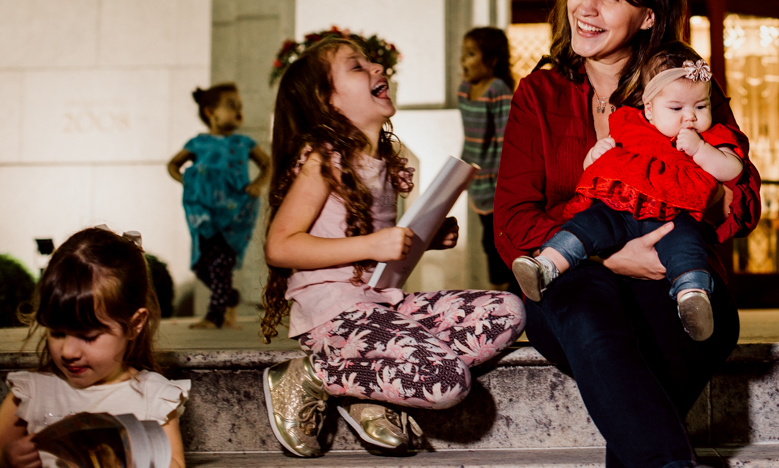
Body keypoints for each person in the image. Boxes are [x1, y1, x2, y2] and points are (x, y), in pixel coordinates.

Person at [494, 0, 761, 468]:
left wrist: (692, 197)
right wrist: (609, 250)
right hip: (572, 289)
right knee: (588, 299)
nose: (585, 7)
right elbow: (513, 222)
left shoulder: (685, 90)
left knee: (684, 330)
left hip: (674, 286)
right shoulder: (540, 95)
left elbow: (745, 199)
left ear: (649, 16)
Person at [259, 37, 525, 458]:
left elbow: (377, 257)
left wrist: (425, 240)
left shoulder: (386, 160)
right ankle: (314, 375)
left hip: (380, 304)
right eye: (357, 67)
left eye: (372, 62)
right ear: (326, 99)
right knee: (447, 380)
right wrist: (374, 243)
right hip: (335, 314)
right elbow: (280, 246)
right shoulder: (322, 160)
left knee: (507, 311)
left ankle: (371, 390)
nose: (376, 68)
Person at [512, 41, 743, 342]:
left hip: (673, 215)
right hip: (620, 209)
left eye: (701, 106)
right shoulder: (630, 125)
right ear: (649, 109)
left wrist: (700, 150)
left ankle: (692, 296)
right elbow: (593, 170)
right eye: (676, 108)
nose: (690, 117)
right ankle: (547, 265)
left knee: (687, 245)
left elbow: (733, 169)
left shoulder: (712, 136)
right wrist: (596, 153)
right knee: (589, 223)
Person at [0, 228, 189, 468]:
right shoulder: (29, 395)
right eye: (56, 332)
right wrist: (7, 459)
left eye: (88, 337)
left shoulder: (153, 398)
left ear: (135, 325)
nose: (68, 352)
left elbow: (174, 463)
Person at [167, 83, 270, 329]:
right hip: (204, 213)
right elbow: (173, 165)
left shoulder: (244, 142)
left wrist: (257, 185)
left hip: (235, 213)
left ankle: (214, 317)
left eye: (240, 107)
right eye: (232, 106)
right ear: (211, 112)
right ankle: (230, 297)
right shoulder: (197, 143)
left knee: (222, 261)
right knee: (204, 264)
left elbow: (267, 164)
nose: (239, 112)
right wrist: (188, 183)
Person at [458, 27, 516, 290]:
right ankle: (500, 288)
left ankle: (508, 289)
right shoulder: (464, 89)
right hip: (475, 178)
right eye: (463, 54)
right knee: (486, 238)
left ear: (491, 60)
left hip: (496, 180)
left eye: (470, 54)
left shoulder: (498, 89)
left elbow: (506, 138)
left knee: (497, 239)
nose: (463, 61)